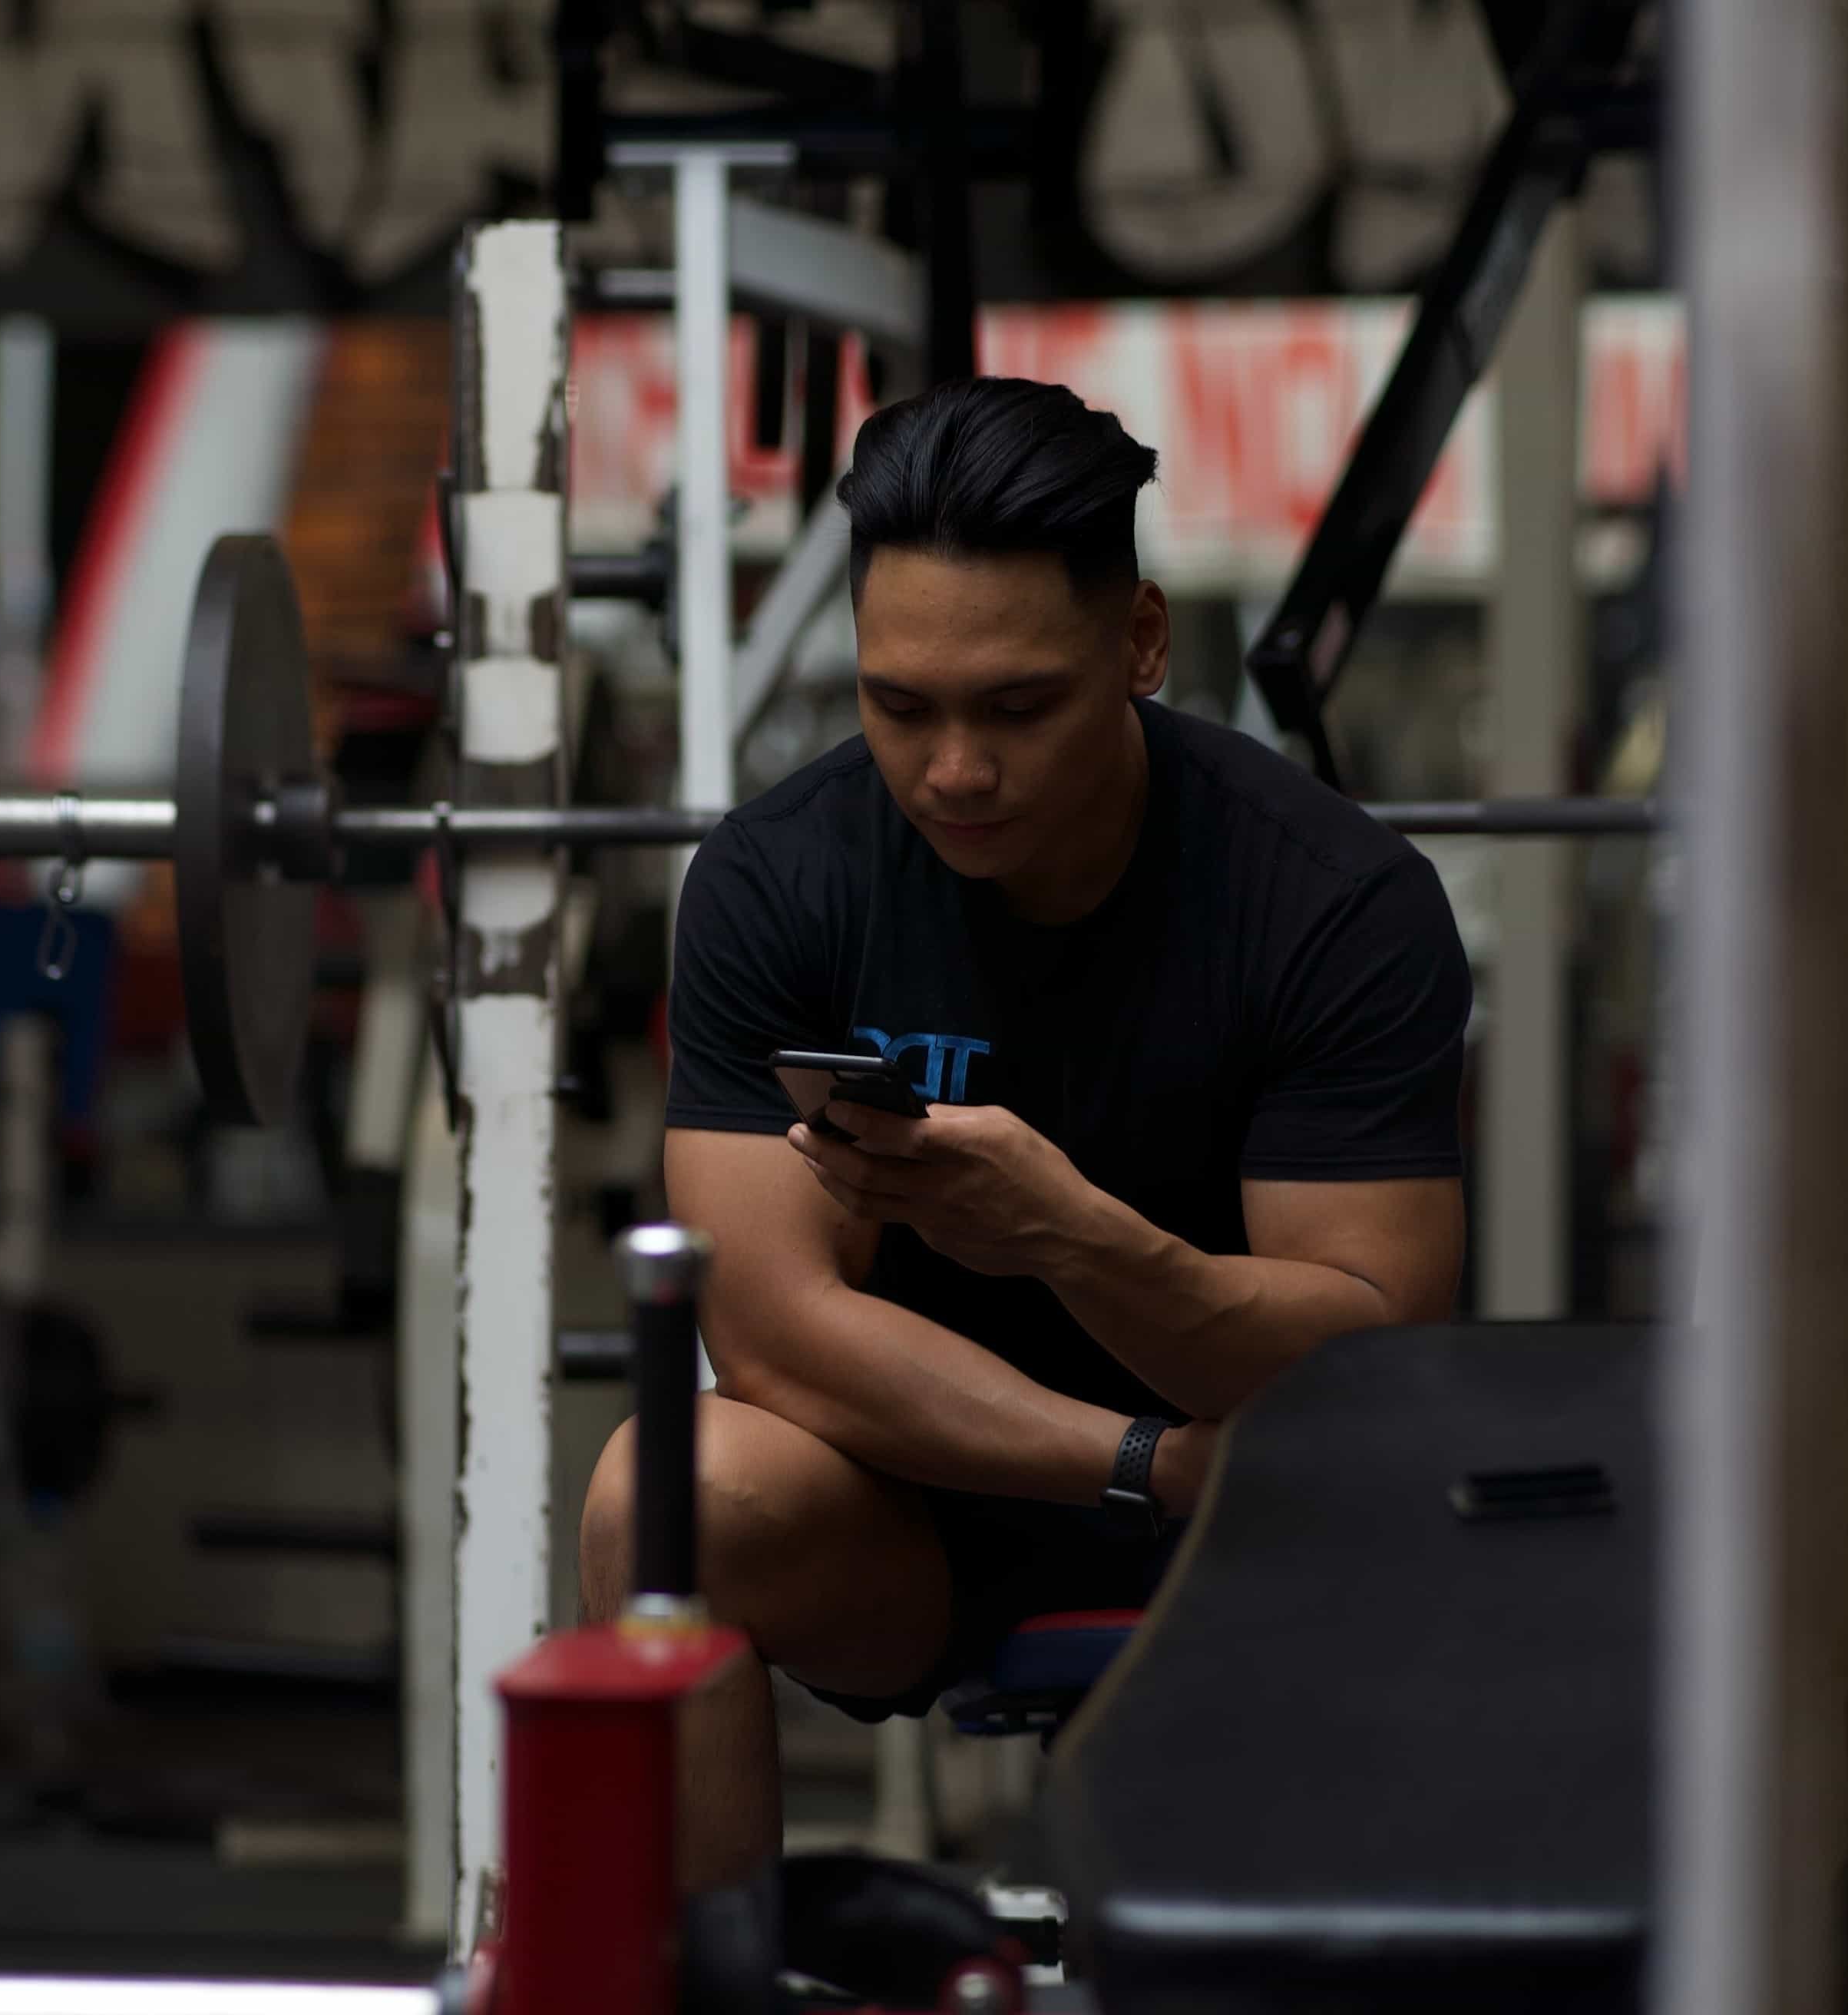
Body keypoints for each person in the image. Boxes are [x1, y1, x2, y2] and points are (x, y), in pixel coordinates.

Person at [580, 378, 1470, 1885]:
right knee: (663, 1493)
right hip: (928, 1502)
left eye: (1015, 707)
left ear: (1139, 644)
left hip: (1257, 1513)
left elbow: (1353, 1372)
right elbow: (776, 1336)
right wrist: (1131, 1457)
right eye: (898, 706)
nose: (953, 772)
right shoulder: (780, 880)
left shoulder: (1337, 903)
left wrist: (1067, 1234)